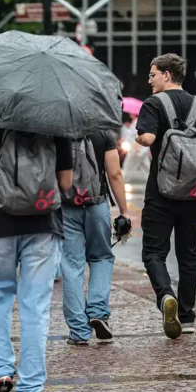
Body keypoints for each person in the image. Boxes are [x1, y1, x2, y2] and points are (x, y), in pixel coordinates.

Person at [0, 118, 73, 392]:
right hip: (44, 225)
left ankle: (0, 371)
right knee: (35, 306)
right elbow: (65, 183)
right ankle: (31, 391)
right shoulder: (55, 119)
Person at [136, 53, 196, 339]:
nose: (149, 80)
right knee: (188, 254)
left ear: (166, 75)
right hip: (193, 193)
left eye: (152, 74)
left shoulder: (153, 104)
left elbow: (149, 139)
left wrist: (139, 137)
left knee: (154, 252)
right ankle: (187, 317)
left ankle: (166, 296)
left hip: (160, 193)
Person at [60, 130, 130, 345]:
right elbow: (115, 174)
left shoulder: (59, 130)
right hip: (97, 205)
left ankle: (79, 331)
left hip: (67, 206)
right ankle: (99, 313)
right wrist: (124, 212)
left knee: (72, 266)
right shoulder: (103, 133)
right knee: (101, 258)